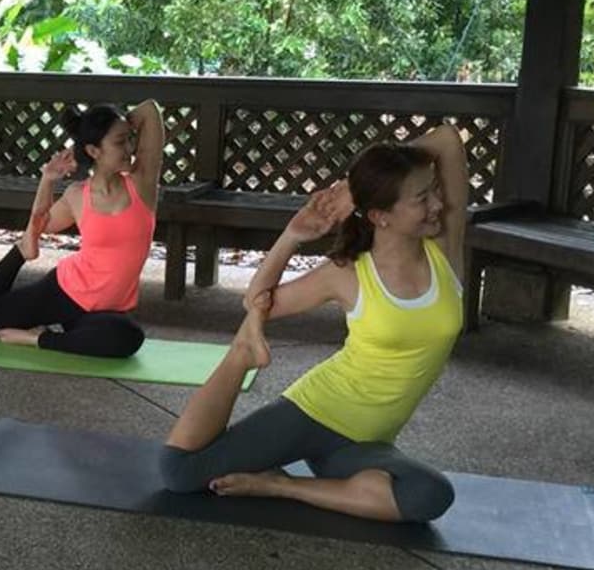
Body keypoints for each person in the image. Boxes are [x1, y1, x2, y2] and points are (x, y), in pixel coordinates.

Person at [158, 125, 469, 524]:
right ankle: (241, 356)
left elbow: (446, 140)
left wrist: (358, 185)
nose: (438, 204)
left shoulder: (444, 249)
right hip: (316, 412)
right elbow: (258, 301)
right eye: (423, 197)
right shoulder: (347, 273)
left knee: (430, 495)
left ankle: (279, 485)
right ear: (380, 216)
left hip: (363, 446)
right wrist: (292, 236)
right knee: (179, 473)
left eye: (435, 192)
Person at [0, 99, 164, 359]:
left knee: (128, 337)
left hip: (103, 311)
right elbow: (41, 225)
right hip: (64, 291)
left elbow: (150, 110)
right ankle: (20, 253)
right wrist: (47, 180)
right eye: (120, 142)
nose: (130, 148)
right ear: (94, 151)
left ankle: (38, 338)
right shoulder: (78, 195)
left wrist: (113, 124)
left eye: (130, 139)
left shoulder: (142, 184)